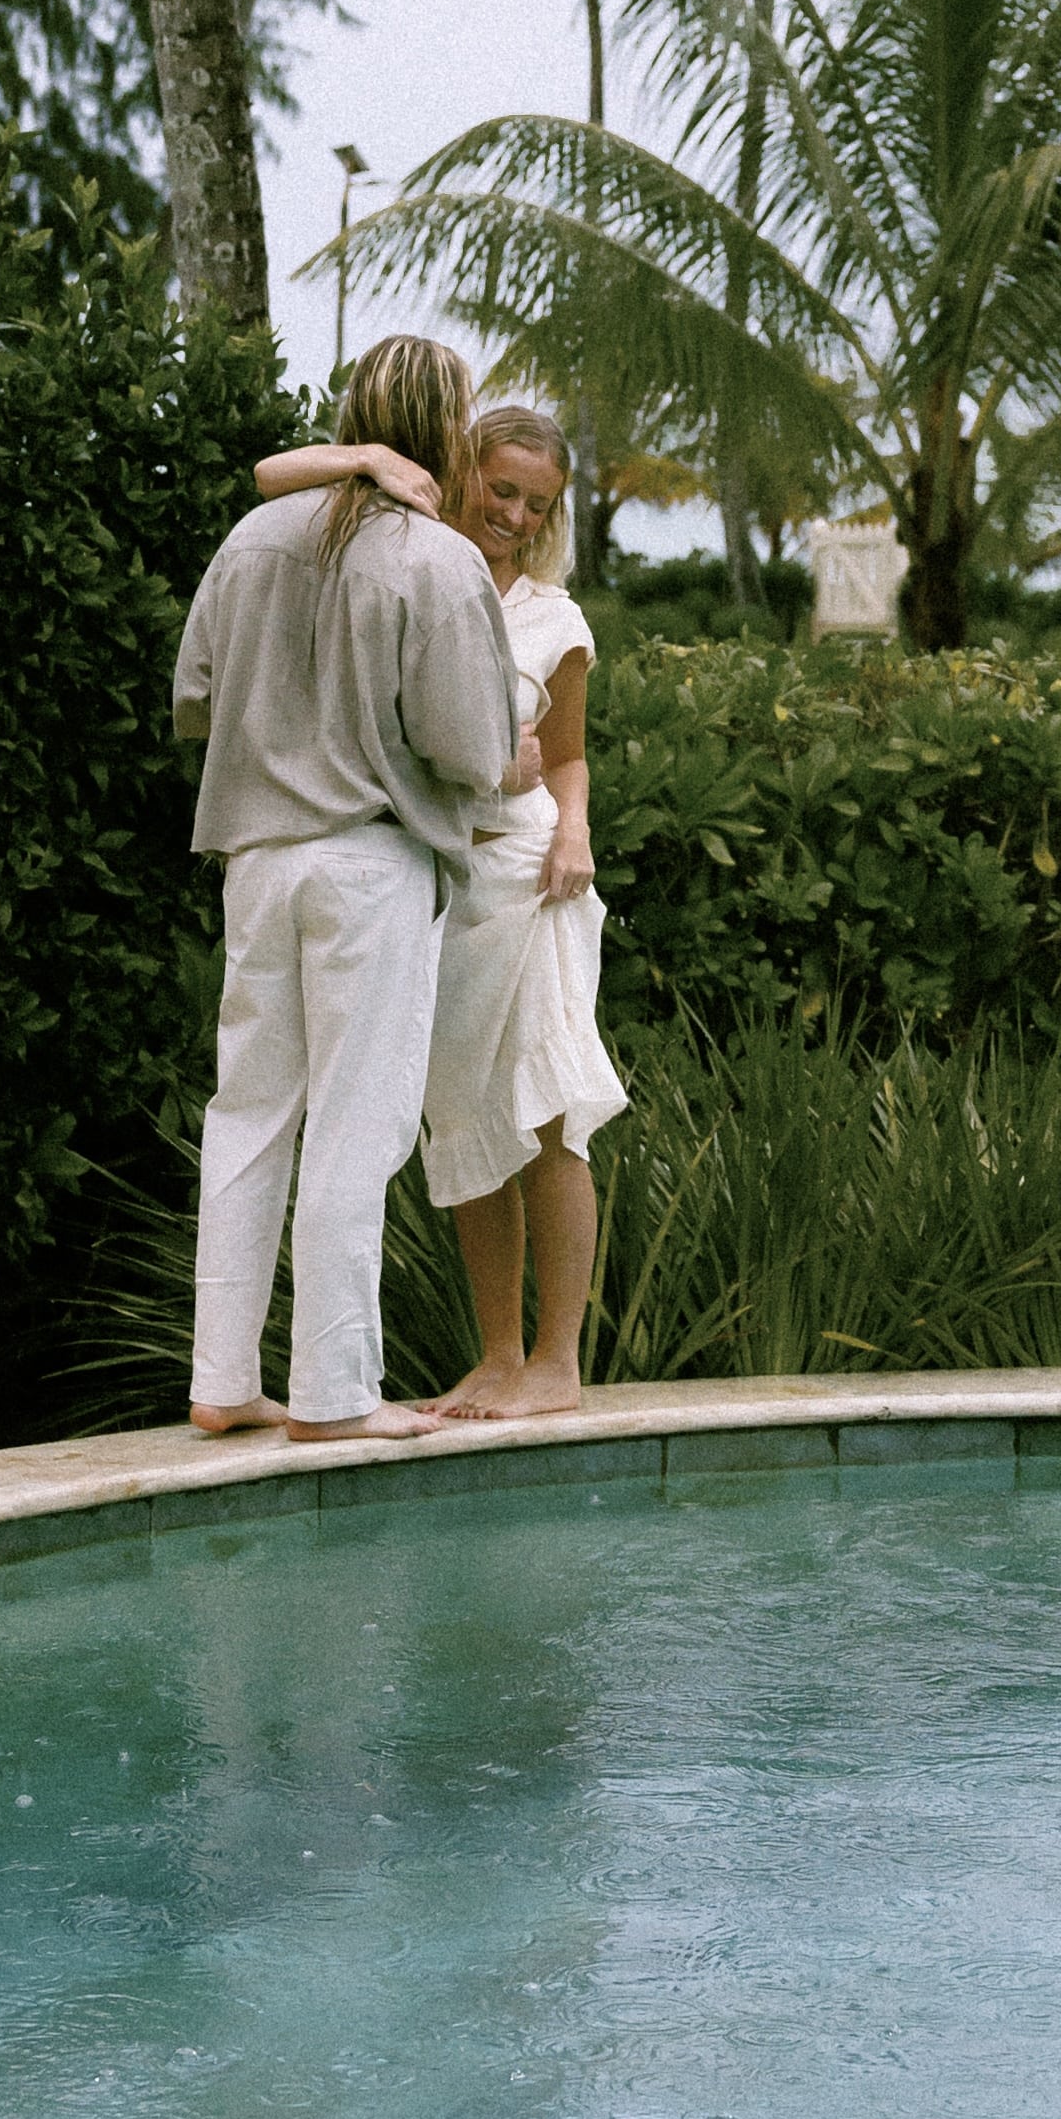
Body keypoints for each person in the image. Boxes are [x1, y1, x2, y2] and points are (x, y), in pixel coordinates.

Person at [173, 330, 517, 1440]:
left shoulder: (253, 535)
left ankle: (223, 1380)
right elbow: (470, 746)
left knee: (247, 1114)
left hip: (258, 859)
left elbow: (195, 697)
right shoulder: (436, 557)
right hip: (369, 861)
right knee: (355, 1127)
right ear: (447, 430)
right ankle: (332, 1395)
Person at [417, 402, 625, 1417]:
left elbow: (571, 752)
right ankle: (498, 1354)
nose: (511, 514)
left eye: (532, 504)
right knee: (462, 1115)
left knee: (548, 1111)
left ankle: (557, 1359)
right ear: (464, 474)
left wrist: (574, 829)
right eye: (500, 489)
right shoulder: (411, 576)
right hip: (442, 883)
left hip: (536, 874)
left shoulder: (556, 618)